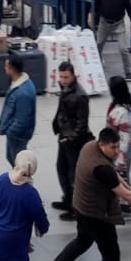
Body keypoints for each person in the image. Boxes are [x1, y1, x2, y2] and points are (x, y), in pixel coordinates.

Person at [41, 126, 131, 261]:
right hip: (97, 216)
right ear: (102, 144)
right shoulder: (102, 169)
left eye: (118, 146)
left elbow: (114, 174)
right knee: (111, 255)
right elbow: (124, 195)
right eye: (113, 147)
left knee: (82, 242)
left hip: (81, 207)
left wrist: (129, 188)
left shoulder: (89, 147)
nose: (117, 151)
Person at [0, 149, 51, 261]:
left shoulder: (2, 179)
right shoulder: (30, 193)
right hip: (14, 239)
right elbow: (40, 217)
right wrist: (44, 228)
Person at [52, 61, 92, 219]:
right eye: (61, 77)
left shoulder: (80, 95)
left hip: (73, 140)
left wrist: (71, 137)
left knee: (73, 173)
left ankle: (76, 208)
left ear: (73, 75)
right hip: (64, 135)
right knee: (61, 168)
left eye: (66, 77)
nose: (63, 80)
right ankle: (67, 199)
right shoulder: (66, 89)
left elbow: (83, 122)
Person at [0, 54, 38, 167]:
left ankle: (20, 183)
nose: (4, 68)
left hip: (17, 135)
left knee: (18, 164)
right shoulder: (18, 85)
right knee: (11, 158)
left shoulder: (23, 92)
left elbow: (22, 119)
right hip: (15, 133)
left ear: (12, 69)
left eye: (6, 66)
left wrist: (10, 131)